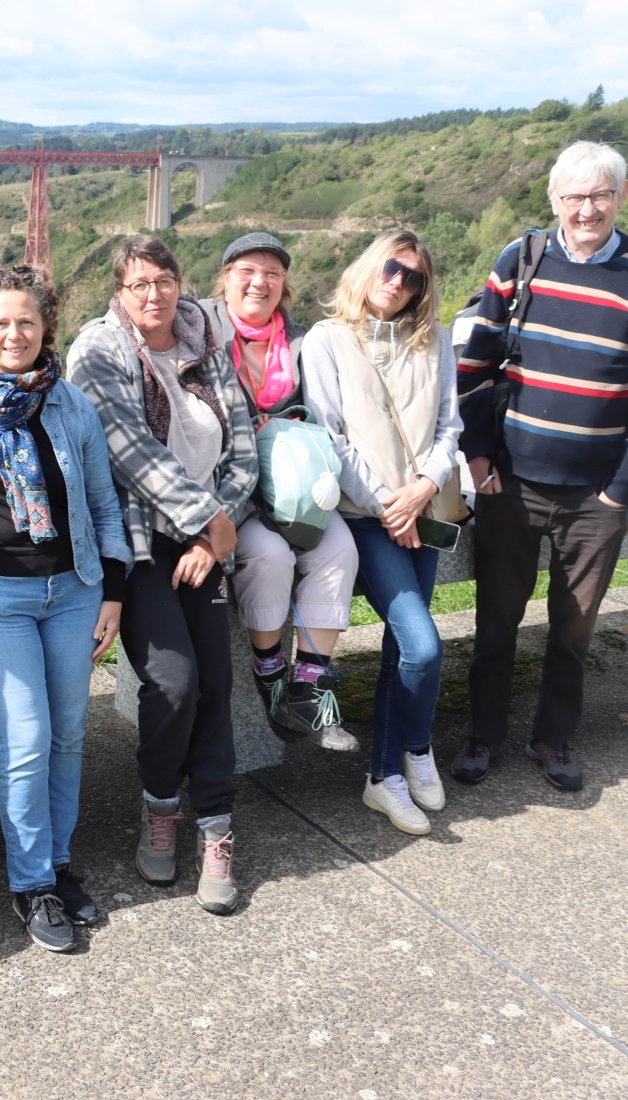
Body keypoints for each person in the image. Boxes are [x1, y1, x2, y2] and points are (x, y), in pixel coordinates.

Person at [0, 265, 129, 953]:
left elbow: (103, 505)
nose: (14, 334)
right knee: (27, 739)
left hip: (72, 589)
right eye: (0, 321)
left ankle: (58, 865)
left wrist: (115, 590)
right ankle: (31, 883)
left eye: (28, 321)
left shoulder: (70, 405)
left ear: (47, 329)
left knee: (70, 734)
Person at [68, 236, 258, 915]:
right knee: (173, 683)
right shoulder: (98, 351)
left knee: (214, 682)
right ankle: (159, 804)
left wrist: (216, 531)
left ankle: (214, 827)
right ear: (119, 292)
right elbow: (130, 451)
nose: (154, 294)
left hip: (205, 540)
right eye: (139, 282)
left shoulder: (206, 341)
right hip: (139, 543)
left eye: (165, 279)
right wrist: (210, 519)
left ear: (182, 282)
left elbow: (243, 452)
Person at [454, 141, 628, 792]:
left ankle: (554, 739)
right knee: (495, 621)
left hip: (597, 497)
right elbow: (474, 367)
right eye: (574, 196)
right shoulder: (521, 261)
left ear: (620, 197)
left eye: (600, 195)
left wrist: (618, 493)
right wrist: (478, 460)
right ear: (553, 200)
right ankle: (482, 737)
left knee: (574, 629)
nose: (587, 209)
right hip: (512, 485)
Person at [302, 230, 460, 835]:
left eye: (413, 277)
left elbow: (450, 426)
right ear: (370, 267)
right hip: (367, 520)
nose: (398, 282)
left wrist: (422, 486)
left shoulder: (434, 340)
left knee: (404, 648)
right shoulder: (327, 340)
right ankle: (415, 747)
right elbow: (330, 435)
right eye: (391, 267)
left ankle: (385, 774)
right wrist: (386, 502)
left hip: (422, 511)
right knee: (422, 645)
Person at [202, 232, 360, 752]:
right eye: (247, 270)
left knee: (338, 548)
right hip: (237, 489)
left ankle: (309, 684)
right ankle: (269, 672)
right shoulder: (200, 328)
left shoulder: (300, 340)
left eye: (272, 273)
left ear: (284, 284)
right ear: (225, 277)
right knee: (268, 555)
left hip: (297, 484)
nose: (259, 282)